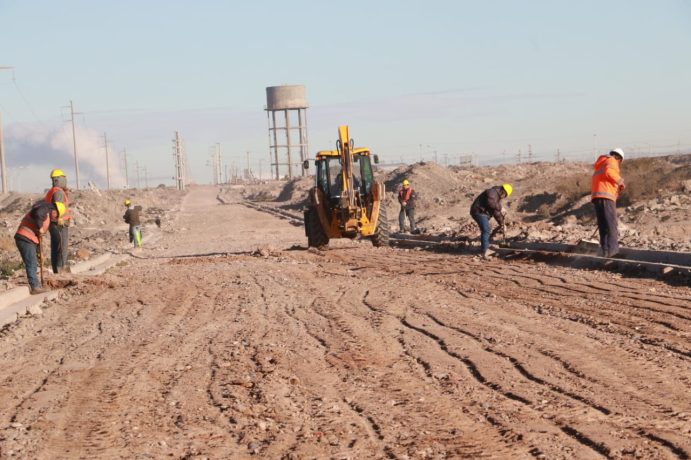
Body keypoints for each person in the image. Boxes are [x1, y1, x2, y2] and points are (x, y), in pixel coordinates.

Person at [15, 201, 65, 294]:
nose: (55, 218)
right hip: (25, 237)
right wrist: (40, 228)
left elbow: (38, 236)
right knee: (31, 262)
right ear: (55, 211)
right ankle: (35, 287)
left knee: (33, 262)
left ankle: (37, 285)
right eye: (57, 216)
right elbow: (37, 214)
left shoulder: (46, 216)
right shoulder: (45, 209)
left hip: (30, 239)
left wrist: (40, 252)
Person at [591, 148, 625, 258]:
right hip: (606, 197)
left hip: (597, 197)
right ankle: (613, 252)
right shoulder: (612, 160)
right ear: (619, 158)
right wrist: (620, 181)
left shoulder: (601, 163)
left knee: (603, 226)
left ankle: (605, 252)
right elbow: (609, 172)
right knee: (611, 225)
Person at [470, 184, 513, 258]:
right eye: (505, 195)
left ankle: (486, 246)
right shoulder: (492, 192)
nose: (504, 197)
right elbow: (492, 204)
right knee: (486, 230)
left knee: (486, 230)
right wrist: (500, 208)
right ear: (503, 192)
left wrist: (502, 223)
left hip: (483, 213)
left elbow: (496, 212)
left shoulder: (496, 198)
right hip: (479, 212)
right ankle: (484, 251)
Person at [44, 169, 72, 274]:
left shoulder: (52, 191)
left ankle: (57, 270)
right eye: (63, 178)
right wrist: (60, 218)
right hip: (59, 223)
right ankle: (61, 270)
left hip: (53, 223)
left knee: (56, 248)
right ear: (59, 179)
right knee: (61, 247)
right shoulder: (58, 192)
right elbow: (59, 206)